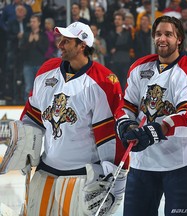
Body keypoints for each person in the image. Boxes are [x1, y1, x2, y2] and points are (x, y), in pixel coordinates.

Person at [2, 21, 128, 215]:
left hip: (81, 178)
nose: (60, 44)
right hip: (46, 172)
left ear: (82, 46)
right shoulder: (47, 70)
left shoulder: (103, 82)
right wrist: (24, 143)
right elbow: (33, 115)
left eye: (66, 41)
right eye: (61, 39)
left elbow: (109, 135)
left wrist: (115, 178)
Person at [115, 16, 187, 216]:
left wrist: (159, 129)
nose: (162, 39)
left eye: (168, 34)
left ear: (179, 39)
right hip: (143, 165)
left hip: (181, 165)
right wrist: (126, 125)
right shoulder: (140, 68)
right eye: (158, 34)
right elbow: (126, 105)